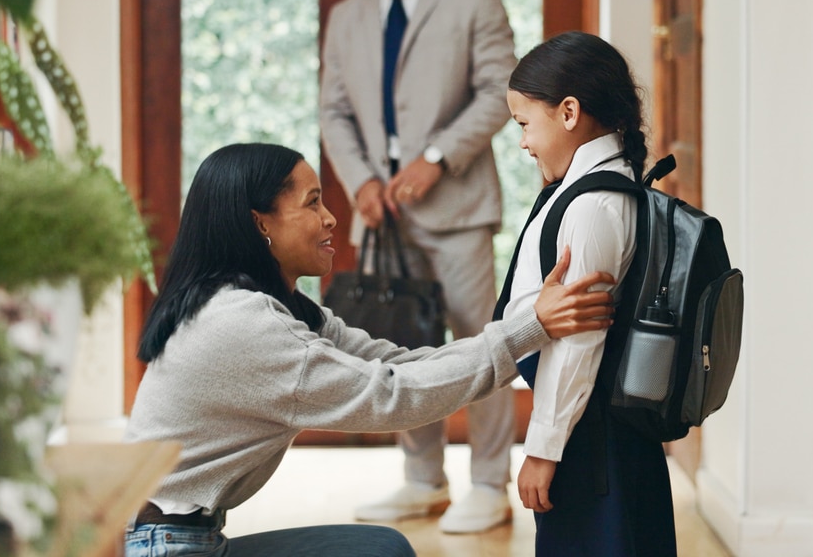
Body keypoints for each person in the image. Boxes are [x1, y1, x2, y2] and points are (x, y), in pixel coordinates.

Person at [123, 143, 615, 557]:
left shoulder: (281, 310)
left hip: (186, 538)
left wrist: (528, 329)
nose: (332, 217)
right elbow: (392, 398)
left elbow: (398, 364)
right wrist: (528, 330)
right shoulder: (241, 324)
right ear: (261, 224)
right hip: (166, 547)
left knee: (380, 548)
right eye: (313, 203)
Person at [319, 0, 520, 533]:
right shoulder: (345, 16)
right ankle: (422, 480)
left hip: (457, 206)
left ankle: (490, 484)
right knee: (398, 347)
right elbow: (334, 112)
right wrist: (360, 184)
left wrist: (436, 159)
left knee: (477, 343)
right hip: (380, 214)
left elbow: (500, 92)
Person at [500, 32, 678, 556]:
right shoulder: (591, 187)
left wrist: (544, 448)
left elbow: (578, 343)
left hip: (592, 442)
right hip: (597, 434)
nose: (524, 142)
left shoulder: (593, 204)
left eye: (525, 124)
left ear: (570, 112)